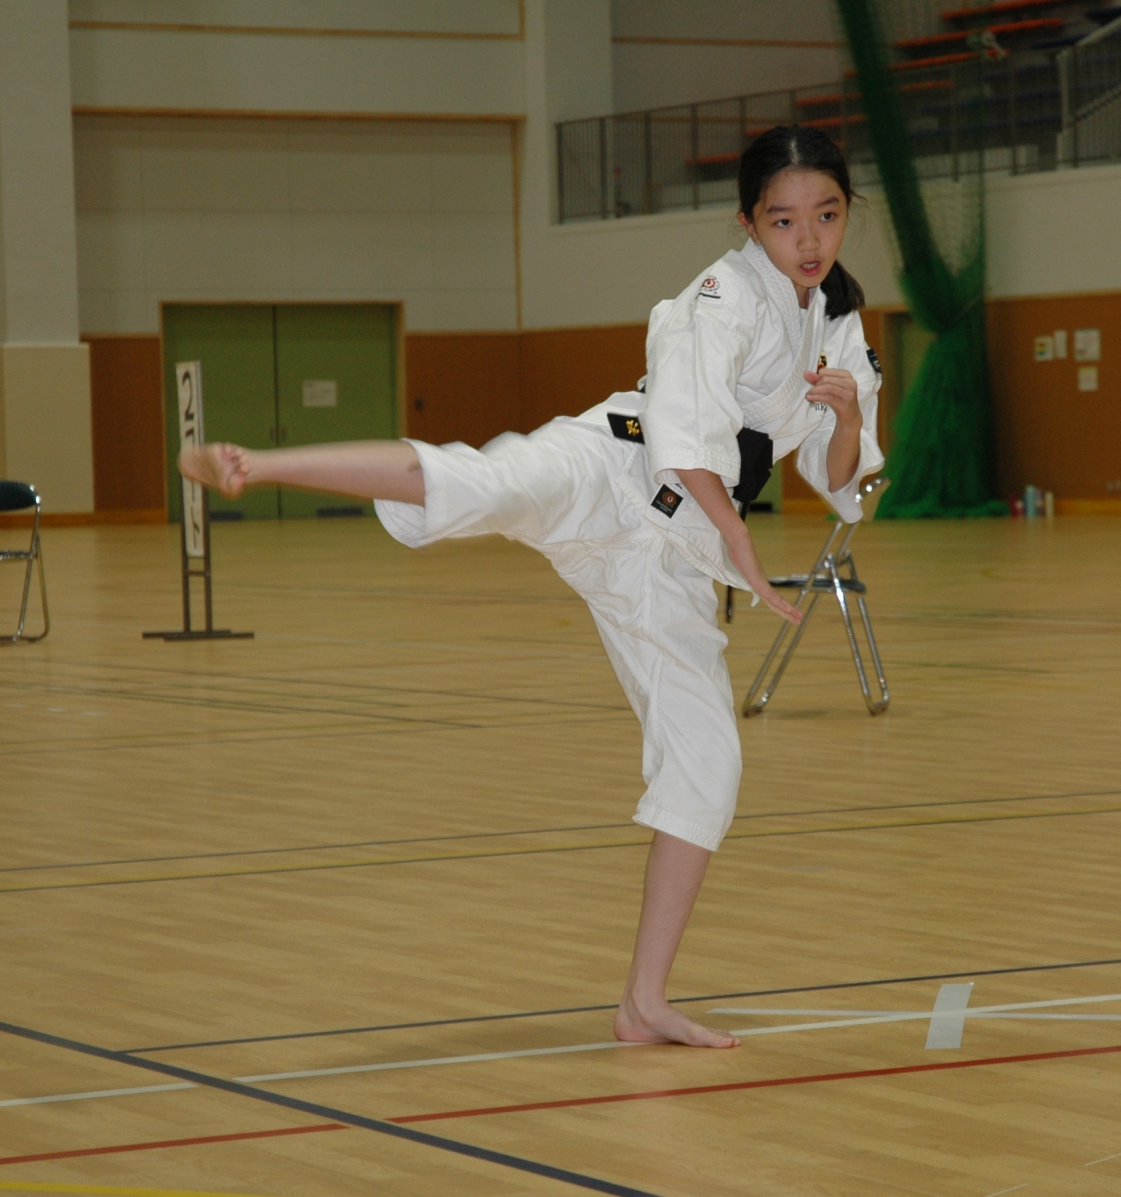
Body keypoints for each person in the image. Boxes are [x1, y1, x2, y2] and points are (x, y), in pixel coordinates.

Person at [178, 125, 884, 1049]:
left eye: (826, 214)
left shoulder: (838, 320)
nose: (809, 237)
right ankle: (260, 464)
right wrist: (742, 541)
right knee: (483, 482)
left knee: (709, 765)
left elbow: (841, 479)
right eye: (784, 219)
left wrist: (849, 414)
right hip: (611, 471)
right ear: (749, 221)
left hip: (669, 562)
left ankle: (643, 1001)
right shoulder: (717, 298)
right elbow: (683, 440)